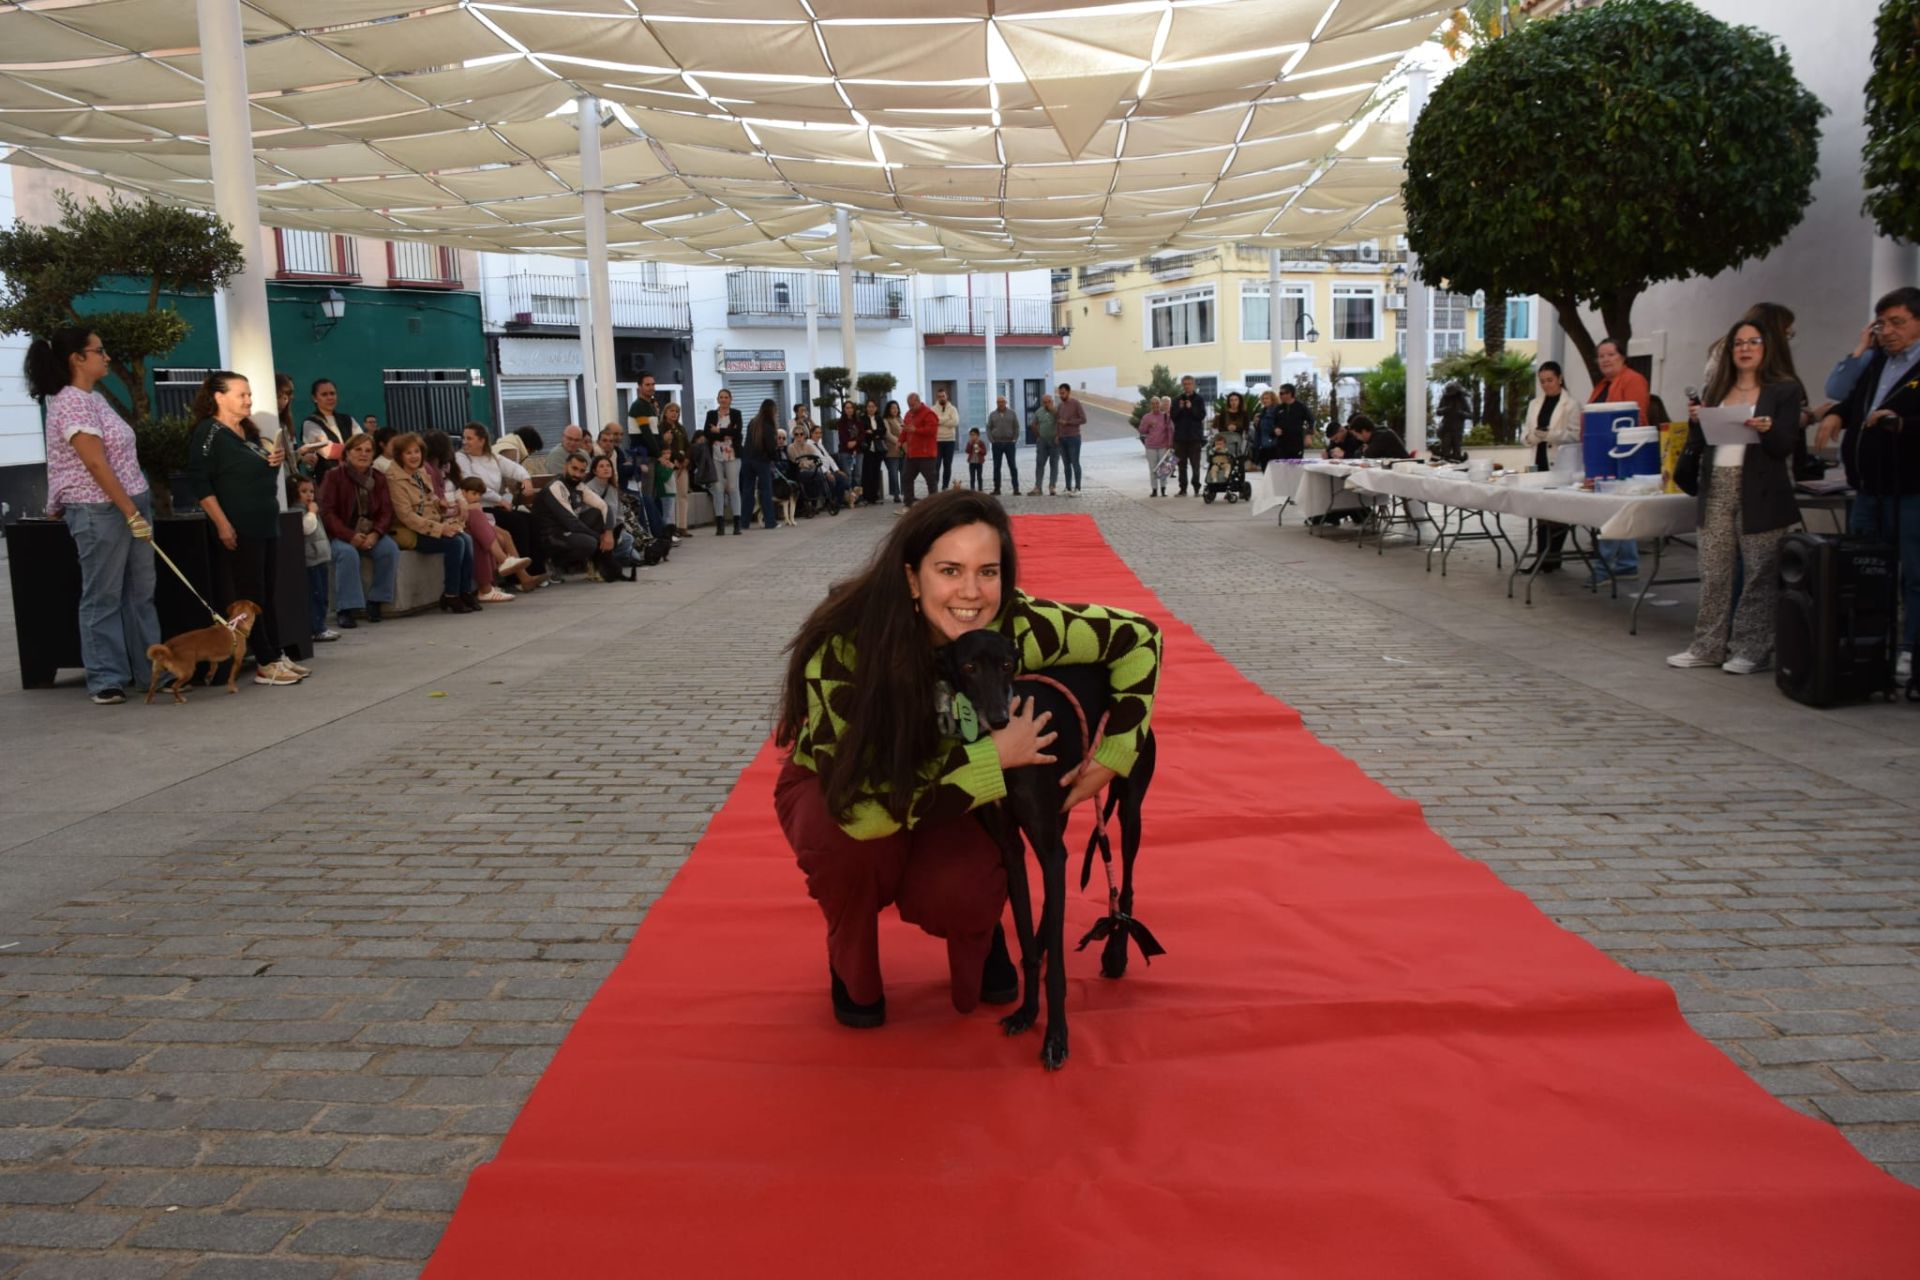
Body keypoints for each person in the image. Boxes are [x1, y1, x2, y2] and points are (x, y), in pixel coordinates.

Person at [772, 489, 1163, 1028]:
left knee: (965, 887)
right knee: (854, 854)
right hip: (846, 791)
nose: (972, 593)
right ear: (912, 577)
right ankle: (852, 957)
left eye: (989, 571)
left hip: (945, 792)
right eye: (950, 570)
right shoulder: (848, 646)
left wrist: (1114, 756)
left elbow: (1140, 637)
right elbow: (868, 813)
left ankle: (980, 938)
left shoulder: (1015, 626)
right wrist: (991, 756)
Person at [28, 326, 161, 703]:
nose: (107, 357)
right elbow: (95, 463)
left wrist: (135, 504)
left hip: (130, 501)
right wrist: (129, 510)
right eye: (99, 351)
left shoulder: (96, 398)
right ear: (77, 358)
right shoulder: (70, 401)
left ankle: (151, 669)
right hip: (99, 509)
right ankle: (106, 678)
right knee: (103, 595)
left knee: (141, 593)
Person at [1665, 317, 1805, 674]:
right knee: (1714, 570)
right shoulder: (1716, 389)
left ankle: (1751, 648)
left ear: (1768, 347)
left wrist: (1768, 428)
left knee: (1759, 571)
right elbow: (1700, 443)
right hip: (1717, 484)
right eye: (1738, 343)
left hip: (1761, 486)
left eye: (1753, 342)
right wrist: (1697, 421)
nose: (1744, 349)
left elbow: (1786, 445)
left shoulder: (1785, 390)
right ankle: (1708, 645)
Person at [1817, 286, 1920, 682]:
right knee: (1865, 569)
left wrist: (1902, 423)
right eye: (1881, 324)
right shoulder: (1877, 362)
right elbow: (1842, 392)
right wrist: (1839, 414)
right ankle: (1867, 643)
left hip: (1909, 489)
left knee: (1913, 572)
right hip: (1868, 489)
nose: (1888, 331)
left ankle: (1909, 648)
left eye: (1898, 323)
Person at [183, 371, 306, 685]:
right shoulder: (209, 432)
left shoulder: (246, 432)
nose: (249, 400)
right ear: (219, 397)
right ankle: (264, 660)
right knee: (249, 596)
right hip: (240, 526)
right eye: (242, 395)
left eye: (250, 394)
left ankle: (276, 653)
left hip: (265, 522)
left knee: (266, 593)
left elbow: (251, 468)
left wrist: (273, 460)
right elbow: (200, 481)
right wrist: (222, 523)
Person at [386, 431, 481, 613]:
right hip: (409, 531)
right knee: (455, 544)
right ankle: (451, 595)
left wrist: (440, 504)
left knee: (465, 539)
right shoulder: (395, 480)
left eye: (417, 452)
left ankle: (464, 590)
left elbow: (429, 497)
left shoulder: (420, 472)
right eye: (408, 453)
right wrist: (440, 529)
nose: (414, 456)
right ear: (400, 456)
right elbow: (406, 516)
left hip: (430, 524)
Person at [318, 432, 399, 628]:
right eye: (358, 450)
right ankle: (346, 609)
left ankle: (375, 601)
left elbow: (386, 511)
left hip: (370, 533)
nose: (363, 454)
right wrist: (350, 535)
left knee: (389, 549)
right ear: (347, 453)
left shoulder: (378, 478)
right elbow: (327, 512)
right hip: (340, 534)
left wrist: (376, 533)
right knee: (347, 554)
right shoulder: (334, 476)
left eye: (368, 451)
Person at [1588, 338, 1651, 584]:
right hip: (1602, 454)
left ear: (1622, 356)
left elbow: (1636, 417)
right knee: (1617, 510)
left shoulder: (1633, 380)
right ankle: (1627, 563)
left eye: (1610, 354)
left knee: (1611, 511)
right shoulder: (1603, 384)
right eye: (1601, 356)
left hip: (1622, 457)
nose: (1605, 359)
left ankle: (1603, 569)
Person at [453, 422, 542, 577]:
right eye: (464, 438)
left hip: (495, 506)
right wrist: (499, 499)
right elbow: (472, 483)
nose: (464, 442)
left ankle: (536, 570)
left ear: (482, 441)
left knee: (532, 520)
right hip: (480, 507)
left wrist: (526, 480)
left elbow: (515, 468)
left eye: (469, 438)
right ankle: (517, 577)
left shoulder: (492, 457)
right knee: (517, 522)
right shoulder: (461, 458)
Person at [425, 429, 501, 601]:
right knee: (475, 526)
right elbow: (438, 500)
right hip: (444, 517)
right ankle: (493, 576)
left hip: (457, 512)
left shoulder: (445, 466)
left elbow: (457, 491)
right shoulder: (429, 470)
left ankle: (487, 585)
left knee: (483, 527)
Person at [1521, 361, 1580, 571]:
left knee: (1557, 512)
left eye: (1550, 380)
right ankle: (1542, 556)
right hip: (1538, 460)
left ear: (1560, 379)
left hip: (1560, 461)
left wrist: (1551, 435)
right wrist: (1533, 436)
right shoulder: (1535, 404)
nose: (1546, 385)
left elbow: (1575, 435)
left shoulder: (1570, 404)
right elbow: (1526, 433)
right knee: (1541, 510)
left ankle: (1553, 557)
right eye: (1542, 381)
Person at [535, 450, 620, 579]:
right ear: (565, 467)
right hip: (549, 536)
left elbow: (604, 506)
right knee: (590, 542)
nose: (577, 474)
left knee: (598, 514)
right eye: (574, 468)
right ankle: (554, 562)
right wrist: (600, 538)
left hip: (567, 530)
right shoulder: (556, 487)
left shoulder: (579, 486)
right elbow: (572, 524)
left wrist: (609, 533)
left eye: (581, 471)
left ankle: (595, 566)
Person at [455, 474, 542, 593]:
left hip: (481, 522)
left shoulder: (472, 501)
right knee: (500, 536)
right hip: (465, 526)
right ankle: (509, 566)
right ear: (464, 492)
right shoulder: (459, 498)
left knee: (505, 534)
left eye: (479, 495)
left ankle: (524, 576)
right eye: (474, 494)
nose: (477, 497)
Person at [289, 475, 339, 642]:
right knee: (315, 596)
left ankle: (321, 625)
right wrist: (311, 513)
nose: (309, 495)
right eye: (303, 491)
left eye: (311, 491)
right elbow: (306, 528)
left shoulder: (311, 509)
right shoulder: (299, 511)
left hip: (320, 557)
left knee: (323, 594)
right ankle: (316, 628)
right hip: (310, 560)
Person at [587, 453, 642, 573]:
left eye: (608, 465)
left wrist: (619, 529)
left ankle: (610, 557)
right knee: (627, 543)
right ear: (595, 471)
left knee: (631, 545)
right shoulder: (589, 488)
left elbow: (619, 513)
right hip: (598, 530)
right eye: (601, 466)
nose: (606, 468)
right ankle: (604, 559)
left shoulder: (612, 488)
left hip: (614, 529)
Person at [704, 390, 747, 532]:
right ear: (717, 399)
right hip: (715, 454)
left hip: (732, 454)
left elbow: (737, 432)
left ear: (731, 399)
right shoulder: (711, 414)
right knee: (717, 488)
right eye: (721, 397)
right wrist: (726, 433)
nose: (723, 400)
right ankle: (720, 524)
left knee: (733, 487)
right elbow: (707, 433)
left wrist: (719, 431)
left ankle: (736, 523)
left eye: (726, 397)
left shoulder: (736, 414)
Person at [301, 378, 359, 482]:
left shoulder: (348, 419)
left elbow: (363, 443)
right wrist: (355, 450)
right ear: (314, 398)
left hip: (353, 478)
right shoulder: (310, 423)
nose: (330, 397)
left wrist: (358, 449)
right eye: (324, 394)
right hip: (327, 482)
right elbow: (327, 450)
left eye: (332, 393)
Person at [742, 398, 783, 531]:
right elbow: (770, 447)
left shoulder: (753, 422)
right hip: (761, 461)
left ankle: (744, 522)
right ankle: (770, 522)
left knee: (747, 491)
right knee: (765, 491)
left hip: (747, 460)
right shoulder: (769, 425)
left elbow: (747, 442)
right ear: (772, 410)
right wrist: (775, 458)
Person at [900, 392, 941, 508]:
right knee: (906, 478)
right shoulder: (908, 414)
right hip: (912, 454)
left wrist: (916, 430)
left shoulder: (929, 414)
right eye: (909, 405)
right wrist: (900, 440)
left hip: (926, 455)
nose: (910, 408)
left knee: (931, 481)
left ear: (918, 402)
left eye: (912, 405)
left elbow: (932, 431)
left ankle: (935, 506)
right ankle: (908, 504)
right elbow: (905, 430)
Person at [1170, 376, 1207, 496]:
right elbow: (1173, 417)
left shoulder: (1199, 399)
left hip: (1194, 437)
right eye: (1185, 384)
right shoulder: (1177, 400)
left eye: (1189, 384)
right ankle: (1183, 489)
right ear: (1182, 385)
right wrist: (1180, 409)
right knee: (1181, 465)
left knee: (1195, 465)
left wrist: (1191, 408)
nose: (1187, 386)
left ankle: (1196, 488)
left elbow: (1201, 416)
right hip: (1180, 438)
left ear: (1193, 385)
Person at [659, 400, 691, 536]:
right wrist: (677, 459)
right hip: (670, 465)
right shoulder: (662, 427)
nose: (675, 414)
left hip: (683, 465)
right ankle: (672, 527)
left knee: (683, 494)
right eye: (671, 411)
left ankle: (682, 526)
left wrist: (687, 459)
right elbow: (665, 446)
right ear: (665, 413)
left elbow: (688, 445)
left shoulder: (681, 428)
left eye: (677, 411)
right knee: (671, 497)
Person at [1054, 383, 1087, 494]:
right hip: (1062, 439)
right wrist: (1057, 435)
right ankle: (1068, 487)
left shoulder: (1075, 403)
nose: (1061, 395)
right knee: (1066, 464)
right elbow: (1057, 422)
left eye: (1063, 393)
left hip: (1073, 438)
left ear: (1068, 392)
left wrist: (1068, 422)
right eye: (1059, 393)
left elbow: (1083, 419)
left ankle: (1078, 488)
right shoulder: (1060, 406)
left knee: (1075, 462)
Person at [1138, 395, 1173, 497]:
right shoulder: (1146, 417)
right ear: (1151, 405)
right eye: (1153, 403)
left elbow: (1170, 431)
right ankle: (1154, 489)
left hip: (1163, 446)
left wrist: (1170, 444)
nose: (1155, 405)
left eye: (1157, 403)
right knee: (1152, 468)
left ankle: (1163, 489)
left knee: (1164, 468)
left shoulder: (1165, 416)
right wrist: (1147, 425)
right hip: (1151, 446)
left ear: (1160, 404)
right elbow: (1142, 431)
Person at [986, 395, 1021, 496]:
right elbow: (988, 428)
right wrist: (991, 440)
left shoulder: (1012, 413)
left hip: (1009, 443)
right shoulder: (992, 415)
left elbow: (1016, 427)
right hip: (996, 443)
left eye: (1002, 402)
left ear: (1006, 402)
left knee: (1013, 466)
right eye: (998, 402)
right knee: (996, 467)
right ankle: (997, 488)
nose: (1000, 403)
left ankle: (1016, 488)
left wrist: (1015, 439)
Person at [1269, 384, 1310, 462]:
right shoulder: (1278, 409)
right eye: (1280, 393)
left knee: (1296, 466)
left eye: (1282, 393)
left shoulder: (1301, 407)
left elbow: (1311, 420)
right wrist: (1275, 429)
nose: (1280, 396)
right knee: (1282, 467)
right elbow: (1272, 423)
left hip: (1296, 443)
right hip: (1282, 444)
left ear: (1290, 394)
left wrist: (1308, 434)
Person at [1029, 392, 1060, 496]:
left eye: (1049, 402)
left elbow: (1061, 423)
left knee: (1054, 464)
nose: (1047, 404)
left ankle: (1052, 486)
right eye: (1045, 402)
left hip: (1054, 441)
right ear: (1042, 403)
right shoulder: (1039, 412)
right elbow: (1033, 424)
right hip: (1042, 441)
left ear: (1052, 401)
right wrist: (1038, 436)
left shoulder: (1057, 411)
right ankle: (1038, 487)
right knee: (1039, 463)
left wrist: (1058, 435)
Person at [1433, 383, 1471, 463]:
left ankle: (1457, 463)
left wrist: (1461, 413)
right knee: (1445, 449)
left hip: (1458, 429)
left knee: (1457, 449)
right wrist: (1445, 409)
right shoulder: (1445, 398)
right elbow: (1438, 411)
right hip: (1447, 428)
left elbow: (1470, 415)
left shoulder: (1462, 400)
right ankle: (1445, 464)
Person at [932, 388, 961, 489]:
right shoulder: (933, 409)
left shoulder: (953, 409)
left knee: (947, 465)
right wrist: (947, 419)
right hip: (937, 441)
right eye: (939, 396)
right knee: (936, 465)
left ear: (946, 396)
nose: (941, 398)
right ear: (937, 397)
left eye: (943, 396)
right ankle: (934, 487)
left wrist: (939, 421)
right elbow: (933, 421)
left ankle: (945, 487)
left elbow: (955, 422)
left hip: (950, 441)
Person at [859, 399, 886, 505]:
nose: (871, 408)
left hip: (878, 449)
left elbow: (883, 431)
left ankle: (875, 495)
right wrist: (875, 433)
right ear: (866, 408)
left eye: (873, 406)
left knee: (876, 472)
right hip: (867, 449)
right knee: (867, 473)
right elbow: (863, 432)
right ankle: (867, 496)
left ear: (876, 408)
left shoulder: (879, 418)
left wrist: (873, 432)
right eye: (869, 406)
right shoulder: (862, 419)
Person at [883, 399, 906, 504]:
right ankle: (896, 495)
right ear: (888, 409)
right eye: (892, 408)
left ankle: (906, 493)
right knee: (893, 474)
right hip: (892, 451)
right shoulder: (886, 420)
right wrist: (899, 442)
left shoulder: (901, 419)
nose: (895, 410)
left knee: (904, 473)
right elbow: (887, 434)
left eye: (896, 408)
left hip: (903, 450)